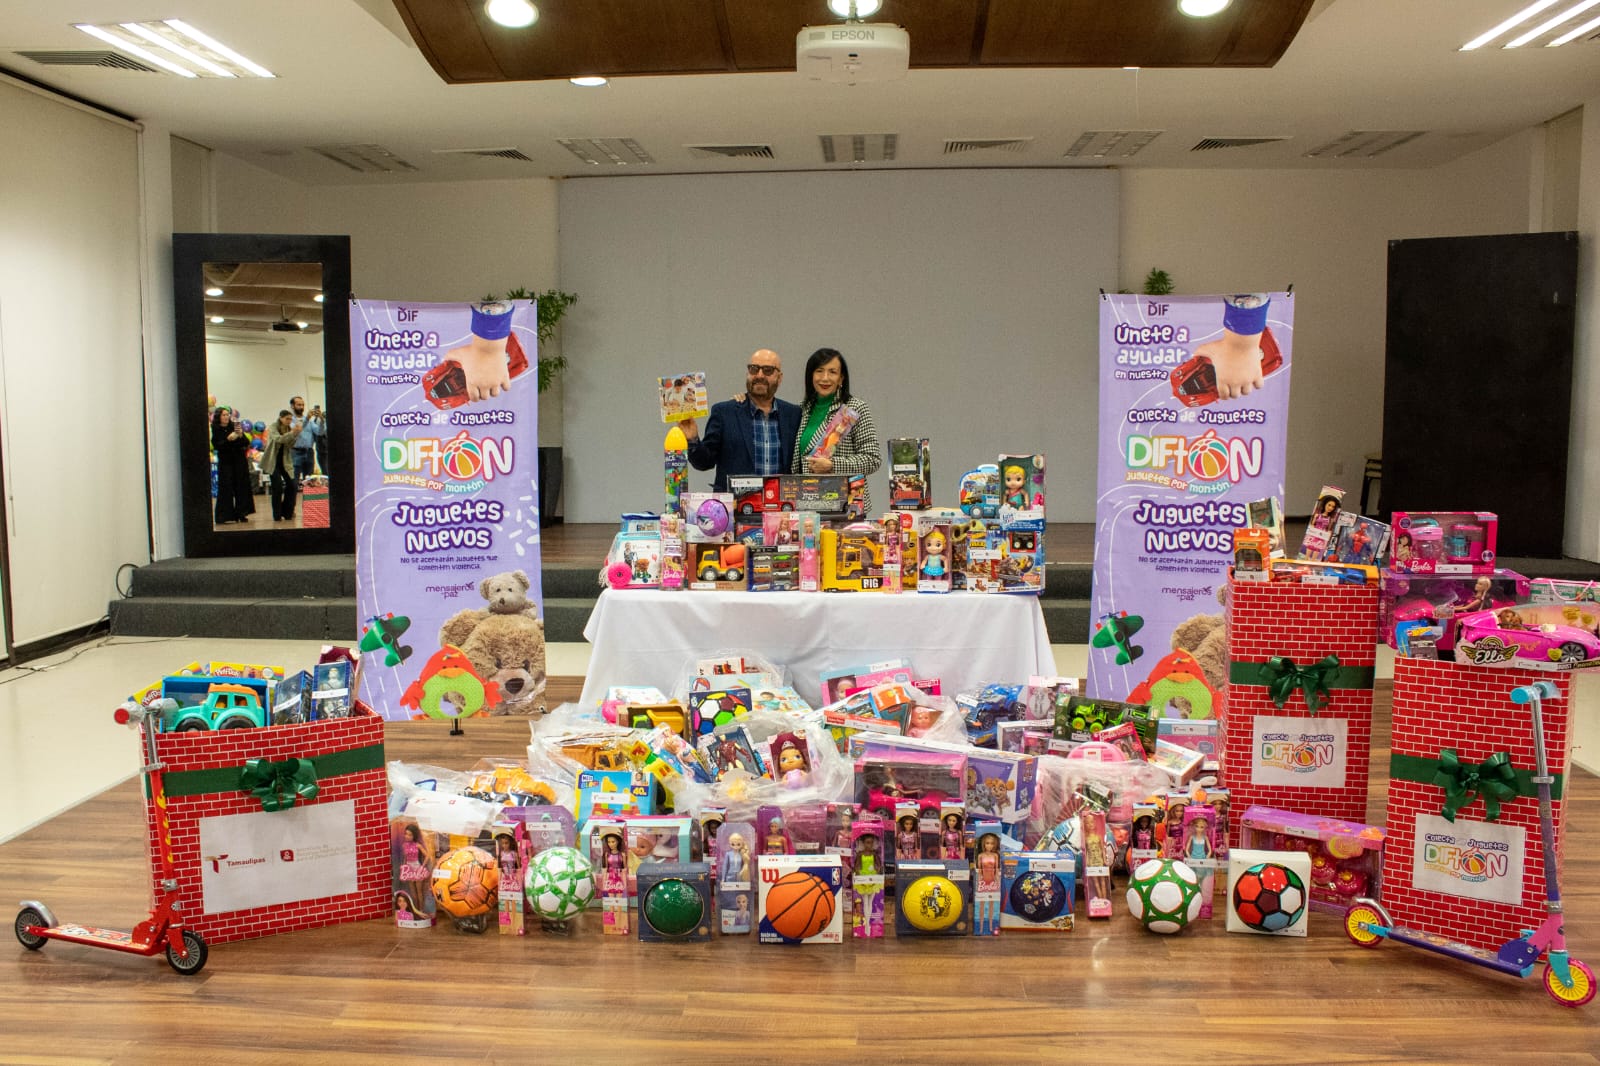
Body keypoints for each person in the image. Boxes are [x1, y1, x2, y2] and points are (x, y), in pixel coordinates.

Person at [680, 349, 801, 492]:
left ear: (779, 378)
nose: (759, 375)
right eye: (754, 369)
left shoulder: (794, 415)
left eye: (767, 370)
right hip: (735, 504)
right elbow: (704, 463)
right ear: (747, 373)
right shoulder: (724, 413)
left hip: (780, 503)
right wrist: (692, 440)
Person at [790, 348, 881, 510]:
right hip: (806, 503)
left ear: (841, 378)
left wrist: (832, 465)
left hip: (844, 505)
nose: (825, 378)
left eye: (832, 372)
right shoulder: (802, 410)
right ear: (811, 376)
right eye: (819, 371)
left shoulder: (854, 409)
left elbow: (872, 459)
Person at [210, 407, 255, 524]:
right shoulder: (216, 429)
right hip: (226, 461)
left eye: (227, 415)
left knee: (242, 486)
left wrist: (240, 435)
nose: (226, 417)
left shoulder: (234, 426)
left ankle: (242, 513)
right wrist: (228, 439)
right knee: (226, 487)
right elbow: (217, 445)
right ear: (219, 417)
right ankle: (224, 515)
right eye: (223, 415)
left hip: (239, 460)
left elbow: (246, 443)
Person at [261, 409, 302, 521]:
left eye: (290, 419)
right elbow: (278, 439)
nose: (289, 421)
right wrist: (292, 433)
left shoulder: (289, 429)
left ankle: (287, 512)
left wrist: (295, 434)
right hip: (272, 461)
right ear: (281, 418)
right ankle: (277, 514)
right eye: (287, 419)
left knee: (292, 485)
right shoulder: (273, 427)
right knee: (277, 487)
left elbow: (290, 444)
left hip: (284, 461)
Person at [290, 396, 320, 479]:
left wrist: (321, 419)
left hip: (309, 452)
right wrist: (307, 418)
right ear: (292, 406)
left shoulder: (309, 421)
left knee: (309, 480)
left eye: (303, 405)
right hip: (296, 452)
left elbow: (319, 432)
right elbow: (297, 430)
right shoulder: (290, 420)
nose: (301, 407)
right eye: (299, 405)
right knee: (294, 479)